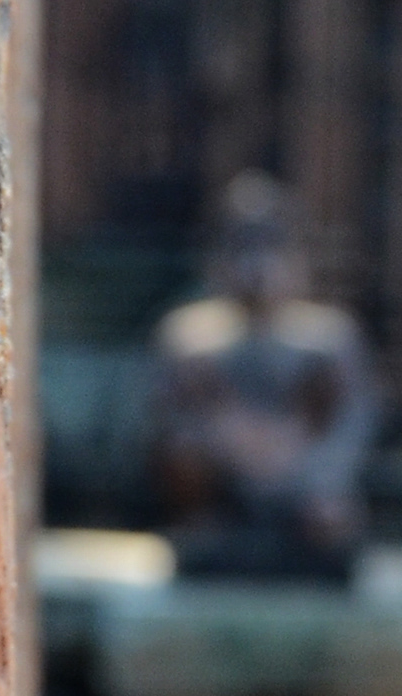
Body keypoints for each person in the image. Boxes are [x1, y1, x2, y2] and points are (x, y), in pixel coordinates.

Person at [152, 173, 379, 577]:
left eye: (272, 248)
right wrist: (227, 440)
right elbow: (168, 422)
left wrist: (316, 472)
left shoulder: (329, 338)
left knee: (332, 525)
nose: (258, 267)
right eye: (243, 249)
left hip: (303, 479)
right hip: (221, 481)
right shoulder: (188, 337)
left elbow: (352, 420)